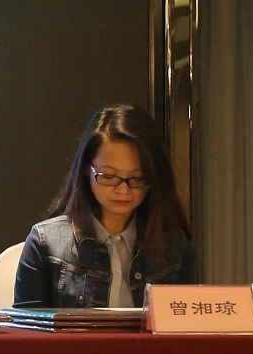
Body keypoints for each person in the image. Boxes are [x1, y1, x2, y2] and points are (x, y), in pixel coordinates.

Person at [14, 105, 193, 308]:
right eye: (108, 176)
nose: (123, 190)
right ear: (86, 169)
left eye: (137, 178)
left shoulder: (174, 246)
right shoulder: (46, 243)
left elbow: (187, 324)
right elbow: (28, 326)